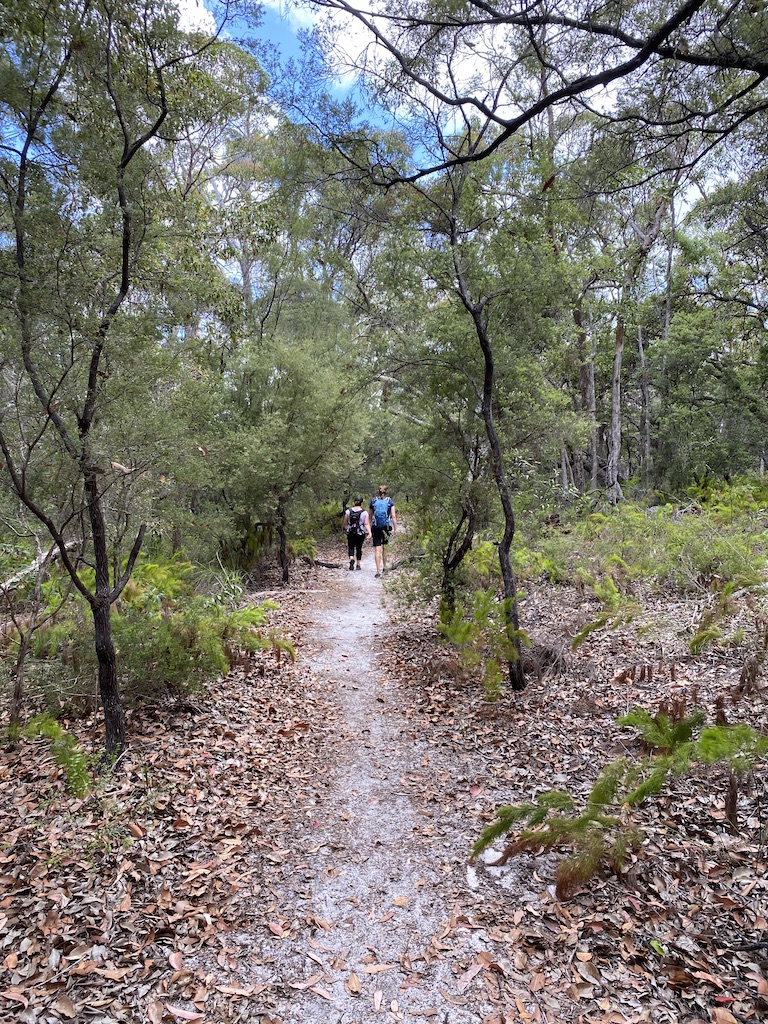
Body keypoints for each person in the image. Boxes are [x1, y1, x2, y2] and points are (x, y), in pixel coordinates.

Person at [369, 485, 397, 578]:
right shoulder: (390, 501)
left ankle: (377, 571)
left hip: (376, 526)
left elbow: (370, 517)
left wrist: (368, 529)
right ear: (386, 491)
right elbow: (393, 516)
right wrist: (395, 528)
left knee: (377, 548)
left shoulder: (373, 501)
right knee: (385, 547)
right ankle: (385, 567)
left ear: (378, 491)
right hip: (386, 526)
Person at [342, 497, 370, 571]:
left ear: (354, 502)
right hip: (360, 533)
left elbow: (345, 523)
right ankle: (358, 564)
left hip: (351, 532)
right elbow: (366, 523)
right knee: (359, 548)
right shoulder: (364, 513)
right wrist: (369, 533)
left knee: (351, 546)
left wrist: (345, 529)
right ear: (362, 503)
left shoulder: (348, 511)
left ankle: (351, 558)